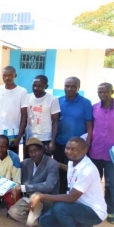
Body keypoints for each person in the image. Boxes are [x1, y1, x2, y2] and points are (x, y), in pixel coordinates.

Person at [34, 137, 107, 227]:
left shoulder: (88, 170)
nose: (69, 152)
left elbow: (71, 198)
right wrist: (56, 164)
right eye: (67, 148)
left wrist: (41, 196)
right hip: (77, 207)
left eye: (74, 149)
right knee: (45, 220)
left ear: (85, 150)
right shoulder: (73, 162)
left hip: (93, 212)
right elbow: (71, 170)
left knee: (60, 208)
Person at [7, 137, 60, 224]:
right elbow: (14, 173)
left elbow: (49, 186)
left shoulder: (52, 164)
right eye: (30, 152)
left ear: (42, 150)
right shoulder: (26, 163)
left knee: (30, 223)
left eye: (35, 151)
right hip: (29, 198)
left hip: (45, 199)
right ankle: (40, 220)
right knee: (12, 213)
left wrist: (23, 188)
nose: (33, 154)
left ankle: (37, 219)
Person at [55, 76, 93, 194]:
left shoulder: (85, 103)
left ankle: (72, 196)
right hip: (60, 143)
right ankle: (60, 196)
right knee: (60, 171)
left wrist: (87, 145)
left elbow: (89, 126)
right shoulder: (58, 101)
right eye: (67, 86)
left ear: (78, 88)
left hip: (77, 148)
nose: (69, 89)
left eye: (73, 86)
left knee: (75, 173)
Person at [0, 66, 27, 154]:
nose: (7, 78)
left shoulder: (22, 91)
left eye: (10, 75)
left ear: (15, 75)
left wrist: (19, 136)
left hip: (12, 134)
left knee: (10, 160)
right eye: (4, 75)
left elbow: (24, 115)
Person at [89, 82, 114, 223]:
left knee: (111, 183)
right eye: (100, 92)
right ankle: (95, 207)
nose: (103, 94)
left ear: (111, 91)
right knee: (94, 182)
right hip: (95, 151)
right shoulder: (94, 108)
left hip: (112, 155)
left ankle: (111, 210)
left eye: (105, 92)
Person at [26, 75, 60, 158]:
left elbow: (55, 121)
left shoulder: (52, 99)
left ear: (46, 86)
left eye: (39, 86)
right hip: (30, 137)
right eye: (34, 85)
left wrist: (52, 141)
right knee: (29, 164)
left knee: (44, 165)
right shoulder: (27, 97)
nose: (36, 88)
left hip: (45, 139)